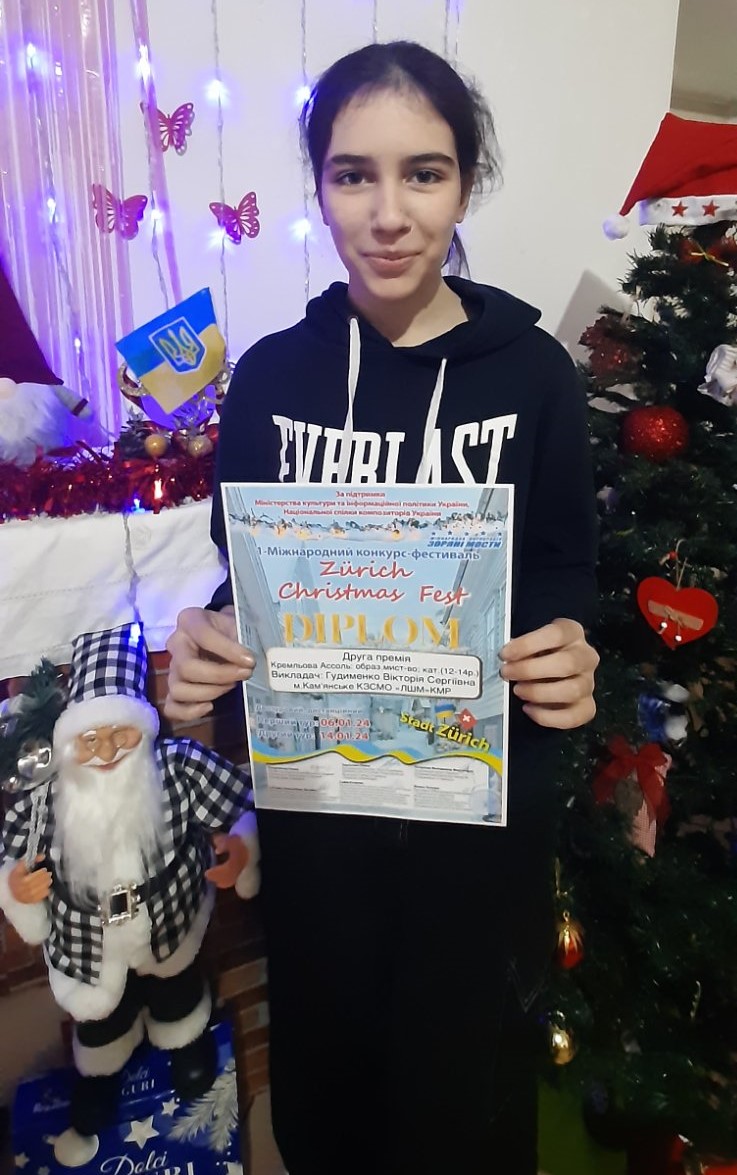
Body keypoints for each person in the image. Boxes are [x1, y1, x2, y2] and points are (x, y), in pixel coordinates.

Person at [165, 40, 599, 1175]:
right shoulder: (271, 377)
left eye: (425, 173)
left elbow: (563, 569)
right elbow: (244, 584)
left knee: (460, 1106)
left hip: (481, 823)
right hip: (322, 828)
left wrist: (570, 646)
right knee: (333, 1098)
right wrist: (208, 646)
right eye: (353, 174)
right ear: (319, 187)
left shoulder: (533, 375)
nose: (389, 213)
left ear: (465, 184)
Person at [0, 623, 259, 1168]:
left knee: (178, 992)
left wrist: (240, 848)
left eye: (122, 734)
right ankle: (100, 1076)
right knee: (101, 1021)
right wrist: (18, 886)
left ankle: (185, 1040)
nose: (107, 751)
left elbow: (240, 803)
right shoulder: (47, 795)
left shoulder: (177, 767)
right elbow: (12, 852)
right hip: (88, 943)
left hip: (171, 922)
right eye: (90, 739)